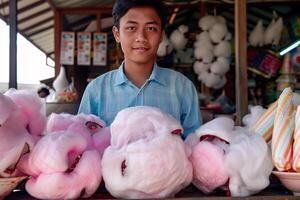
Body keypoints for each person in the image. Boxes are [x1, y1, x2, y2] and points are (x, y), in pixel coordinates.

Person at [78, 0, 202, 138]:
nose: (141, 38)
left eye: (150, 28)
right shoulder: (96, 90)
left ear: (161, 35)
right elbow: (83, 144)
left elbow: (194, 146)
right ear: (117, 34)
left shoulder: (182, 88)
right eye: (131, 28)